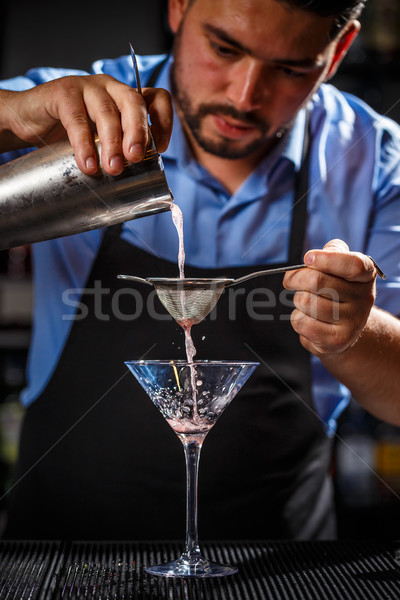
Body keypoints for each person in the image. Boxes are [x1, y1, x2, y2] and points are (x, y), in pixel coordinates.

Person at [0, 0, 399, 541]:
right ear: (178, 7)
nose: (243, 95)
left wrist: (356, 328)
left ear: (339, 52)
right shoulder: (68, 107)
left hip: (280, 564)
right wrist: (10, 115)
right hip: (59, 553)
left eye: (289, 68)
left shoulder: (372, 158)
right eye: (224, 48)